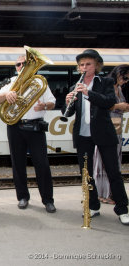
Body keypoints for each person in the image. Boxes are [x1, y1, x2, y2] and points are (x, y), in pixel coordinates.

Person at [62, 49, 129, 225]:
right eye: (82, 64)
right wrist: (68, 100)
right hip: (83, 135)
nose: (84, 67)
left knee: (113, 172)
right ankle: (93, 206)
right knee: (87, 174)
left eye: (88, 64)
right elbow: (66, 114)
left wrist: (88, 93)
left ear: (96, 65)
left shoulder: (105, 82)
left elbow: (109, 102)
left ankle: (122, 209)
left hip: (104, 134)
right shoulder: (74, 86)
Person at [0, 55, 56, 213]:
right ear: (15, 67)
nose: (21, 66)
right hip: (15, 126)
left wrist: (44, 106)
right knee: (18, 164)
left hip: (35, 128)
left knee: (42, 164)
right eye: (18, 64)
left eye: (24, 63)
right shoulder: (11, 82)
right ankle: (22, 197)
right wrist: (6, 95)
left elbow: (52, 102)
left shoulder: (39, 82)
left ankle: (48, 200)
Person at [93, 65, 129, 205]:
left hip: (117, 129)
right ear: (118, 74)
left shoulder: (119, 89)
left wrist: (124, 107)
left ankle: (109, 192)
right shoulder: (106, 86)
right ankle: (102, 194)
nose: (126, 81)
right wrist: (118, 107)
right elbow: (100, 103)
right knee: (102, 163)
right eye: (125, 78)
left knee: (114, 163)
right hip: (105, 128)